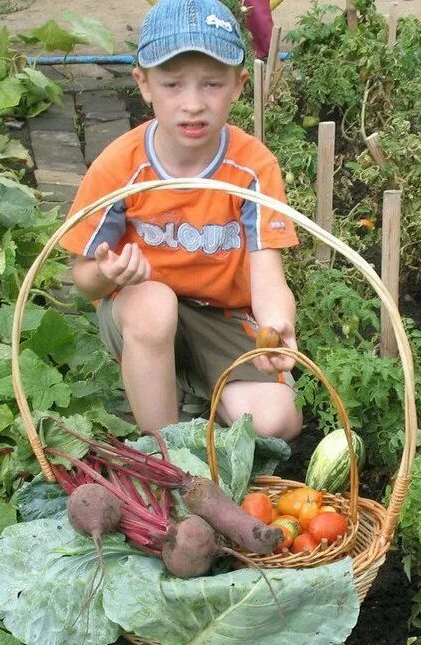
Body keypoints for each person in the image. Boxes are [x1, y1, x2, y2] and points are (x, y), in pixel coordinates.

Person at [61, 0, 302, 440]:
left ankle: (194, 377)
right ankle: (167, 448)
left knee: (276, 424)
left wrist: (276, 324)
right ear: (144, 84)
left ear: (238, 85)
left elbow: (267, 273)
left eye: (211, 84)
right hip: (141, 310)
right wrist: (106, 272)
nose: (192, 104)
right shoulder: (121, 167)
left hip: (222, 317)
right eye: (172, 85)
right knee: (155, 306)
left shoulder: (252, 168)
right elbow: (83, 280)